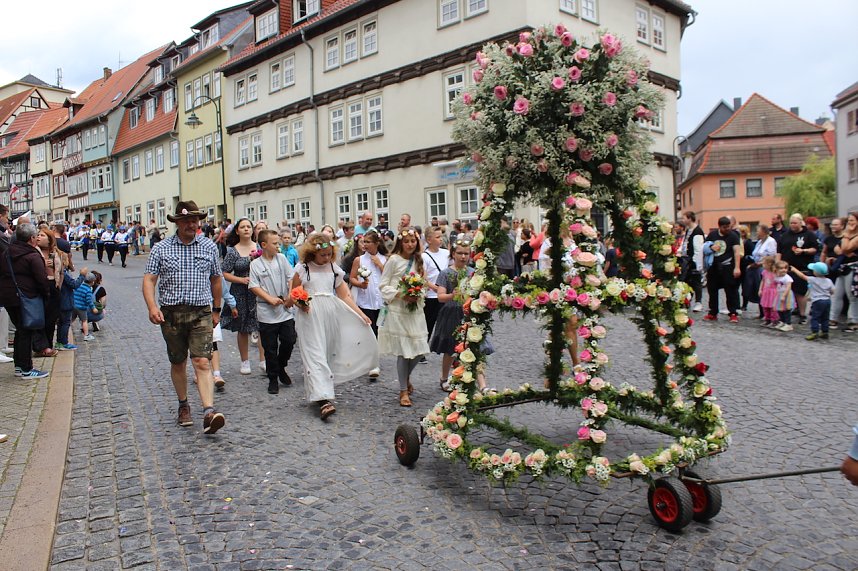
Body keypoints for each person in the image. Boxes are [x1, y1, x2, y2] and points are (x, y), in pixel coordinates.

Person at [142, 201, 225, 434]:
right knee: (178, 362)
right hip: (171, 314)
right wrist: (152, 307)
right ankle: (183, 405)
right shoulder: (161, 248)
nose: (191, 224)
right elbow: (149, 279)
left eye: (195, 220)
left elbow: (216, 279)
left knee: (202, 361)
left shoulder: (208, 246)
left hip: (201, 312)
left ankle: (209, 411)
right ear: (177, 223)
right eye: (187, 220)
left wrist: (217, 309)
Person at [291, 232, 378, 419]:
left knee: (328, 352)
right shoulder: (303, 269)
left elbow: (344, 295)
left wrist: (361, 314)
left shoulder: (333, 269)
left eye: (330, 254)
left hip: (330, 314)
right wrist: (301, 304)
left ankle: (320, 391)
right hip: (310, 315)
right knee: (314, 354)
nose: (327, 258)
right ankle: (323, 400)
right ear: (313, 252)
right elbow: (295, 293)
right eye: (323, 254)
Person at [429, 240, 493, 393]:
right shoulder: (446, 273)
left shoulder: (473, 272)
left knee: (475, 347)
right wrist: (452, 295)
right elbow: (440, 297)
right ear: (453, 254)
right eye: (459, 253)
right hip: (452, 313)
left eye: (466, 253)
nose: (463, 257)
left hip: (471, 312)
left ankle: (482, 384)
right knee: (450, 348)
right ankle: (444, 378)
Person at [377, 227, 430, 407]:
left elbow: (423, 284)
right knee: (403, 350)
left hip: (414, 310)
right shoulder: (393, 260)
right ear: (400, 242)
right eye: (406, 241)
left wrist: (417, 293)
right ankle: (403, 390)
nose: (410, 244)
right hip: (398, 310)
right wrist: (401, 294)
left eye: (413, 241)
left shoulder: (419, 260)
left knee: (419, 350)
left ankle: (405, 377)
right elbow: (383, 285)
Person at [0, 223, 52, 378]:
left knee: (20, 331)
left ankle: (19, 366)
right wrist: (46, 295)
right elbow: (41, 280)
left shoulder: (7, 252)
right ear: (31, 238)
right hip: (26, 297)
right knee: (26, 332)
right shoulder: (32, 256)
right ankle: (26, 369)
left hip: (8, 297)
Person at [249, 230, 298, 395]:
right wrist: (269, 298)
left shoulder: (281, 259)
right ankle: (273, 378)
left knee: (289, 340)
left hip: (284, 309)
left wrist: (290, 295)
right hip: (266, 312)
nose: (278, 246)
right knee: (269, 348)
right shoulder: (256, 264)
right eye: (275, 243)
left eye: (278, 243)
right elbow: (254, 286)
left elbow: (291, 278)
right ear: (264, 245)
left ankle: (281, 365)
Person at [220, 218, 261, 375]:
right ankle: (245, 361)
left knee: (262, 326)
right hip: (240, 291)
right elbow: (224, 273)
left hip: (258, 290)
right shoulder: (232, 251)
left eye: (248, 226)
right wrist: (241, 280)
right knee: (242, 328)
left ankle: (264, 360)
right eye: (242, 227)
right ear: (237, 231)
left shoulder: (259, 247)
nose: (246, 229)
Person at [776, 213, 819, 324]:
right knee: (785, 291)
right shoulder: (785, 235)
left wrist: (804, 250)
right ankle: (784, 313)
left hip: (802, 267)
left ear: (801, 222)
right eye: (791, 223)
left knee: (800, 292)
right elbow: (779, 251)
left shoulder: (809, 234)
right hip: (786, 268)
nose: (792, 225)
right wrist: (777, 264)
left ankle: (802, 314)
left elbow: (815, 249)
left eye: (795, 223)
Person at [349, 229, 387, 344]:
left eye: (368, 242)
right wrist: (360, 284)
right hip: (365, 302)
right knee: (369, 332)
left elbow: (389, 277)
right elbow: (352, 278)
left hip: (381, 302)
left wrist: (380, 265)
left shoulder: (384, 259)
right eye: (364, 242)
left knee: (381, 331)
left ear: (376, 243)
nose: (365, 244)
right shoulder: (359, 260)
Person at [702, 217, 742, 323]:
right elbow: (705, 247)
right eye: (725, 227)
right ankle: (713, 312)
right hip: (714, 266)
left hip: (727, 266)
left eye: (728, 226)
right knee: (712, 290)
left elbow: (737, 252)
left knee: (730, 290)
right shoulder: (712, 235)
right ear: (719, 226)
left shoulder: (733, 236)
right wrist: (711, 248)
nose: (727, 229)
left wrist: (737, 267)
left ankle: (733, 313)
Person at [421, 226, 450, 350]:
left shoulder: (446, 253)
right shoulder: (424, 256)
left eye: (441, 236)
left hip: (445, 295)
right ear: (429, 240)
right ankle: (422, 349)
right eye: (437, 237)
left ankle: (448, 347)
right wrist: (435, 288)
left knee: (447, 324)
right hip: (431, 296)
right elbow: (423, 278)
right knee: (428, 324)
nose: (441, 239)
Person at [34, 229, 62, 356]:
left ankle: (48, 345)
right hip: (40, 286)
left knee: (51, 318)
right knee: (41, 318)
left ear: (49, 240)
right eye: (38, 235)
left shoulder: (55, 253)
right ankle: (41, 346)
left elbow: (61, 272)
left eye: (42, 235)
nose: (39, 237)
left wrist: (58, 284)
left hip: (53, 286)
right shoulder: (35, 252)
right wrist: (42, 264)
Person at [791, 261, 834, 340]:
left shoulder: (813, 279)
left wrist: (794, 270)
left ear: (816, 272)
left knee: (815, 317)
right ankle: (825, 332)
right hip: (827, 301)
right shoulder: (829, 280)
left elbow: (802, 276)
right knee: (825, 317)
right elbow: (833, 291)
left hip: (817, 301)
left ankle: (815, 332)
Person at [830, 213, 858, 331]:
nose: (850, 223)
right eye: (849, 221)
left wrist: (846, 236)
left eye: (852, 220)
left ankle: (853, 320)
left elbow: (845, 248)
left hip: (853, 268)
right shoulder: (848, 235)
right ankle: (833, 318)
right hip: (842, 268)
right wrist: (845, 250)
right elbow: (837, 249)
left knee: (852, 295)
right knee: (836, 294)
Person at [679, 211, 705, 312]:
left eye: (684, 218)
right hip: (687, 260)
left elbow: (698, 249)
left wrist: (697, 263)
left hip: (694, 261)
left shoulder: (697, 231)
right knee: (687, 281)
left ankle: (698, 302)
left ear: (690, 218)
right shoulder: (688, 230)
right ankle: (687, 300)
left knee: (696, 282)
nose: (683, 220)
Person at [772, 260, 795, 332]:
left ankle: (788, 324)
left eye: (785, 268)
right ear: (776, 269)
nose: (784, 270)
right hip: (779, 294)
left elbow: (788, 287)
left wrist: (784, 296)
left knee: (786, 309)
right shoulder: (777, 276)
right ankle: (782, 321)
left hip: (786, 294)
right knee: (779, 309)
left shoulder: (787, 278)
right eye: (781, 268)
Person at [757, 256, 779, 327]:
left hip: (773, 291)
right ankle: (767, 319)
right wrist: (760, 289)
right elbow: (763, 281)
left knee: (773, 307)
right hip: (766, 291)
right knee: (765, 306)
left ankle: (774, 320)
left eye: (764, 263)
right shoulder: (764, 272)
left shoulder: (775, 273)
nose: (762, 265)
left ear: (769, 264)